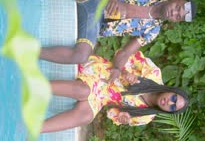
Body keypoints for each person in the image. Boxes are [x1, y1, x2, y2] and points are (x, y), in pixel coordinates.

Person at [24, 0, 197, 80]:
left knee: (82, 54)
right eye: (178, 8)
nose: (175, 13)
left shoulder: (153, 30)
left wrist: (117, 69)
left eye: (178, 17)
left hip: (96, 23)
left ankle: (30, 52)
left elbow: (125, 53)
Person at [40, 50, 189, 133]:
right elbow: (123, 54)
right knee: (83, 91)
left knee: (85, 117)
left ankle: (35, 130)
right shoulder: (153, 74)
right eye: (174, 98)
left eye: (172, 107)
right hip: (102, 74)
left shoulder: (147, 116)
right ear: (172, 91)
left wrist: (123, 116)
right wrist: (124, 72)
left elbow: (113, 113)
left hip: (102, 98)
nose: (169, 102)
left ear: (169, 111)